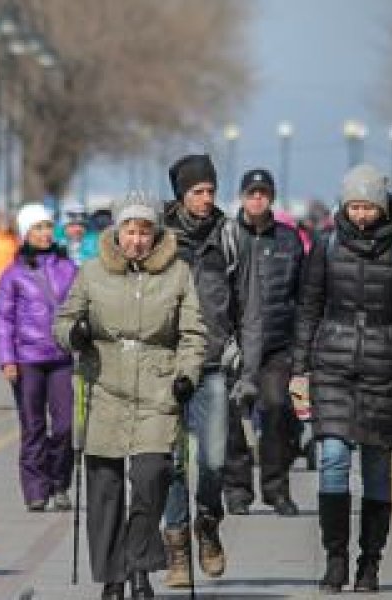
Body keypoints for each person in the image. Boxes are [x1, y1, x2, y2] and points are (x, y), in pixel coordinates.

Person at [54, 191, 206, 600]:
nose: (136, 239)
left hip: (158, 387)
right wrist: (75, 333)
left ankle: (140, 567)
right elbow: (63, 320)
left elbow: (193, 335)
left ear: (155, 234)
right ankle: (112, 577)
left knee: (150, 476)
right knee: (104, 489)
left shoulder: (177, 274)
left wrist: (187, 375)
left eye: (144, 231)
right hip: (104, 386)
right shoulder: (91, 272)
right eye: (129, 230)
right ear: (117, 231)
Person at [290, 164, 392, 593]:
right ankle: (335, 558)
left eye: (368, 206)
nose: (361, 214)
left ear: (382, 206)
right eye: (354, 205)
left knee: (376, 467)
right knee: (332, 458)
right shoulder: (327, 245)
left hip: (385, 370)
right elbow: (308, 309)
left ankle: (369, 562)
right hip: (332, 366)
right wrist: (300, 371)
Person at [160, 153, 237, 588]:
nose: (206, 199)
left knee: (213, 459)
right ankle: (177, 549)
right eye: (197, 192)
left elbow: (245, 297)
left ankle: (207, 524)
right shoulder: (161, 240)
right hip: (169, 366)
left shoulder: (228, 235)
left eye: (210, 191)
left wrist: (241, 348)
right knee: (172, 461)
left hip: (213, 364)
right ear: (181, 195)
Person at [221, 168, 304, 517]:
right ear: (241, 197)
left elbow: (303, 296)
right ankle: (237, 490)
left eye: (263, 193)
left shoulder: (288, 239)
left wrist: (302, 350)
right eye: (251, 193)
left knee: (276, 409)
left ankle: (276, 487)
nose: (257, 199)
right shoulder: (226, 235)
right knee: (232, 417)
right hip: (234, 343)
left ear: (271, 198)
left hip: (276, 344)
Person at [0, 203, 79, 512]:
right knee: (33, 426)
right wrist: (6, 359)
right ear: (25, 234)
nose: (44, 233)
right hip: (27, 359)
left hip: (61, 358)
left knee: (65, 426)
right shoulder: (12, 274)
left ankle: (59, 483)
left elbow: (82, 308)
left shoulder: (68, 268)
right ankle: (35, 489)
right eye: (37, 228)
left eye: (47, 226)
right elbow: (3, 320)